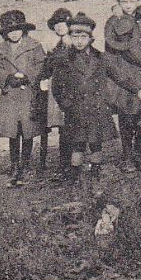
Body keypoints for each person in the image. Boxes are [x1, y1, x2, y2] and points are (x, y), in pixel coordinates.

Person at [52, 13, 114, 181]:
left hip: (97, 108)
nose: (79, 41)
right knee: (77, 145)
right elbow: (57, 86)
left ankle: (95, 172)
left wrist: (138, 90)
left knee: (96, 143)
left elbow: (118, 76)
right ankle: (74, 175)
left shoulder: (100, 58)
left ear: (90, 38)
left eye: (83, 37)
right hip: (76, 109)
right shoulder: (63, 59)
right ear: (70, 37)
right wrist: (66, 104)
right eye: (75, 36)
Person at [0, 10, 45, 186]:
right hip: (10, 96)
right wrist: (7, 78)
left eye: (17, 29)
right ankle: (14, 165)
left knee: (27, 131)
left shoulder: (34, 46)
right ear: (4, 33)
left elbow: (41, 65)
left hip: (28, 93)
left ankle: (26, 164)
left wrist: (28, 75)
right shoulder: (0, 50)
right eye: (10, 30)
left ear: (23, 30)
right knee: (13, 132)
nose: (14, 33)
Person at [104, 0, 141, 172]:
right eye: (124, 1)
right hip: (123, 74)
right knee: (126, 118)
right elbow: (113, 50)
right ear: (118, 2)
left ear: (138, 1)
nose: (128, 5)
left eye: (132, 1)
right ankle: (127, 156)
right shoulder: (113, 21)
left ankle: (139, 155)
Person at [36, 8, 73, 179]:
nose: (60, 28)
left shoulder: (75, 41)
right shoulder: (50, 44)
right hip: (56, 87)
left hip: (72, 88)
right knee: (62, 126)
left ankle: (74, 162)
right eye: (57, 25)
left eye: (63, 24)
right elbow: (46, 66)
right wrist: (44, 77)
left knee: (72, 124)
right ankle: (64, 162)